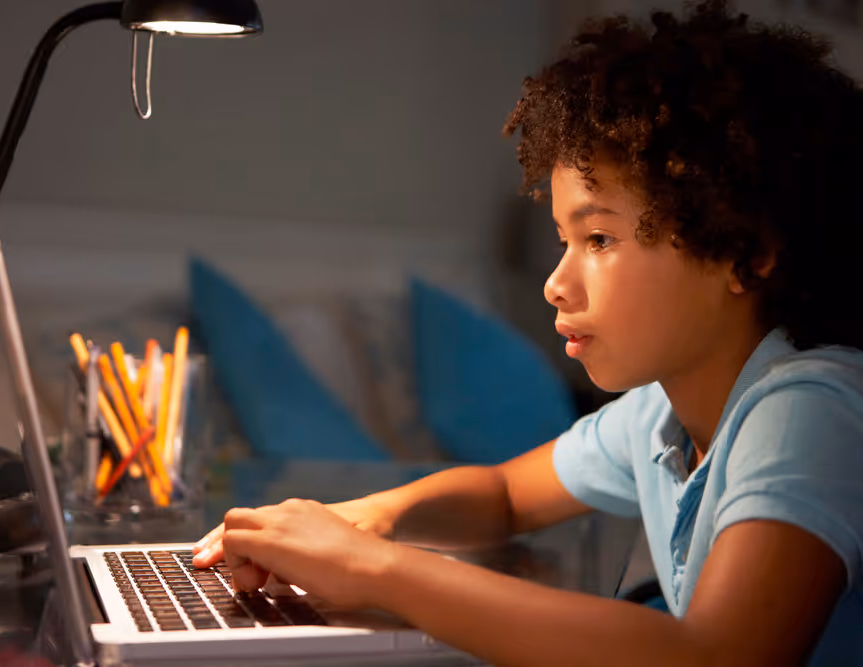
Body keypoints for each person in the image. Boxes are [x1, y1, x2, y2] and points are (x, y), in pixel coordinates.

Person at [193, 2, 863, 665]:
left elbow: (718, 653)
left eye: (598, 238)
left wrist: (375, 569)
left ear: (743, 252)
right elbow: (505, 495)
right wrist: (368, 515)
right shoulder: (662, 412)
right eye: (565, 240)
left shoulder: (808, 408)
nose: (554, 283)